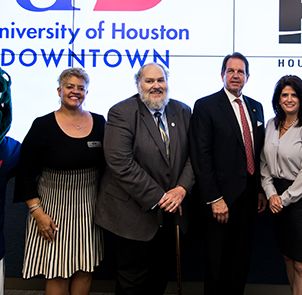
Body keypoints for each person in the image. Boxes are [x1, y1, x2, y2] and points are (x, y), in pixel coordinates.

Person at [95, 63, 193, 295]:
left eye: (161, 80)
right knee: (132, 282)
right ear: (138, 84)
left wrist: (181, 188)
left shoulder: (182, 111)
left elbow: (195, 155)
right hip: (132, 214)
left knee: (160, 277)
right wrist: (161, 197)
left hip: (172, 215)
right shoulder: (121, 112)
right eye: (149, 81)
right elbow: (121, 163)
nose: (156, 86)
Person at [14, 67, 105, 295]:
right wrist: (38, 214)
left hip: (89, 209)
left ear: (86, 92)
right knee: (58, 270)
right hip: (52, 210)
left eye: (81, 88)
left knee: (85, 268)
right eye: (70, 87)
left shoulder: (100, 122)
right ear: (59, 90)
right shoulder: (42, 126)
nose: (75, 92)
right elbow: (24, 172)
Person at [189, 52, 267, 295]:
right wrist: (214, 198)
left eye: (240, 72)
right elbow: (201, 155)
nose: (236, 76)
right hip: (220, 202)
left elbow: (259, 152)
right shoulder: (206, 106)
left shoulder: (256, 107)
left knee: (241, 261)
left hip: (248, 201)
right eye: (231, 71)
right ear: (222, 75)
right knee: (217, 264)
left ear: (248, 76)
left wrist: (261, 190)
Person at [260, 75, 302, 295]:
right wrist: (270, 194)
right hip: (276, 198)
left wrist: (283, 199)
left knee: (301, 264)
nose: (289, 99)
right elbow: (264, 164)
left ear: (301, 98)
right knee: (287, 257)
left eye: (294, 95)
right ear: (277, 99)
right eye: (284, 95)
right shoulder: (271, 124)